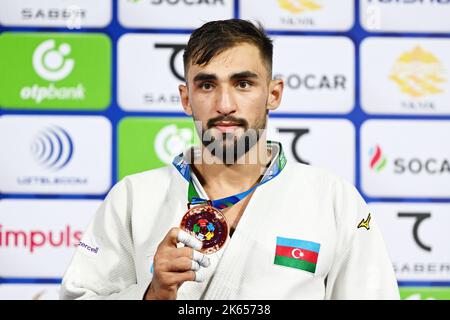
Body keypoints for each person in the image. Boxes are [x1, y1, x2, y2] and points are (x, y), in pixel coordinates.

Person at [60, 19, 399, 300]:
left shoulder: (334, 199)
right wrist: (151, 295)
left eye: (243, 84)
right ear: (186, 99)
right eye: (207, 85)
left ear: (273, 93)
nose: (225, 104)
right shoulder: (133, 197)